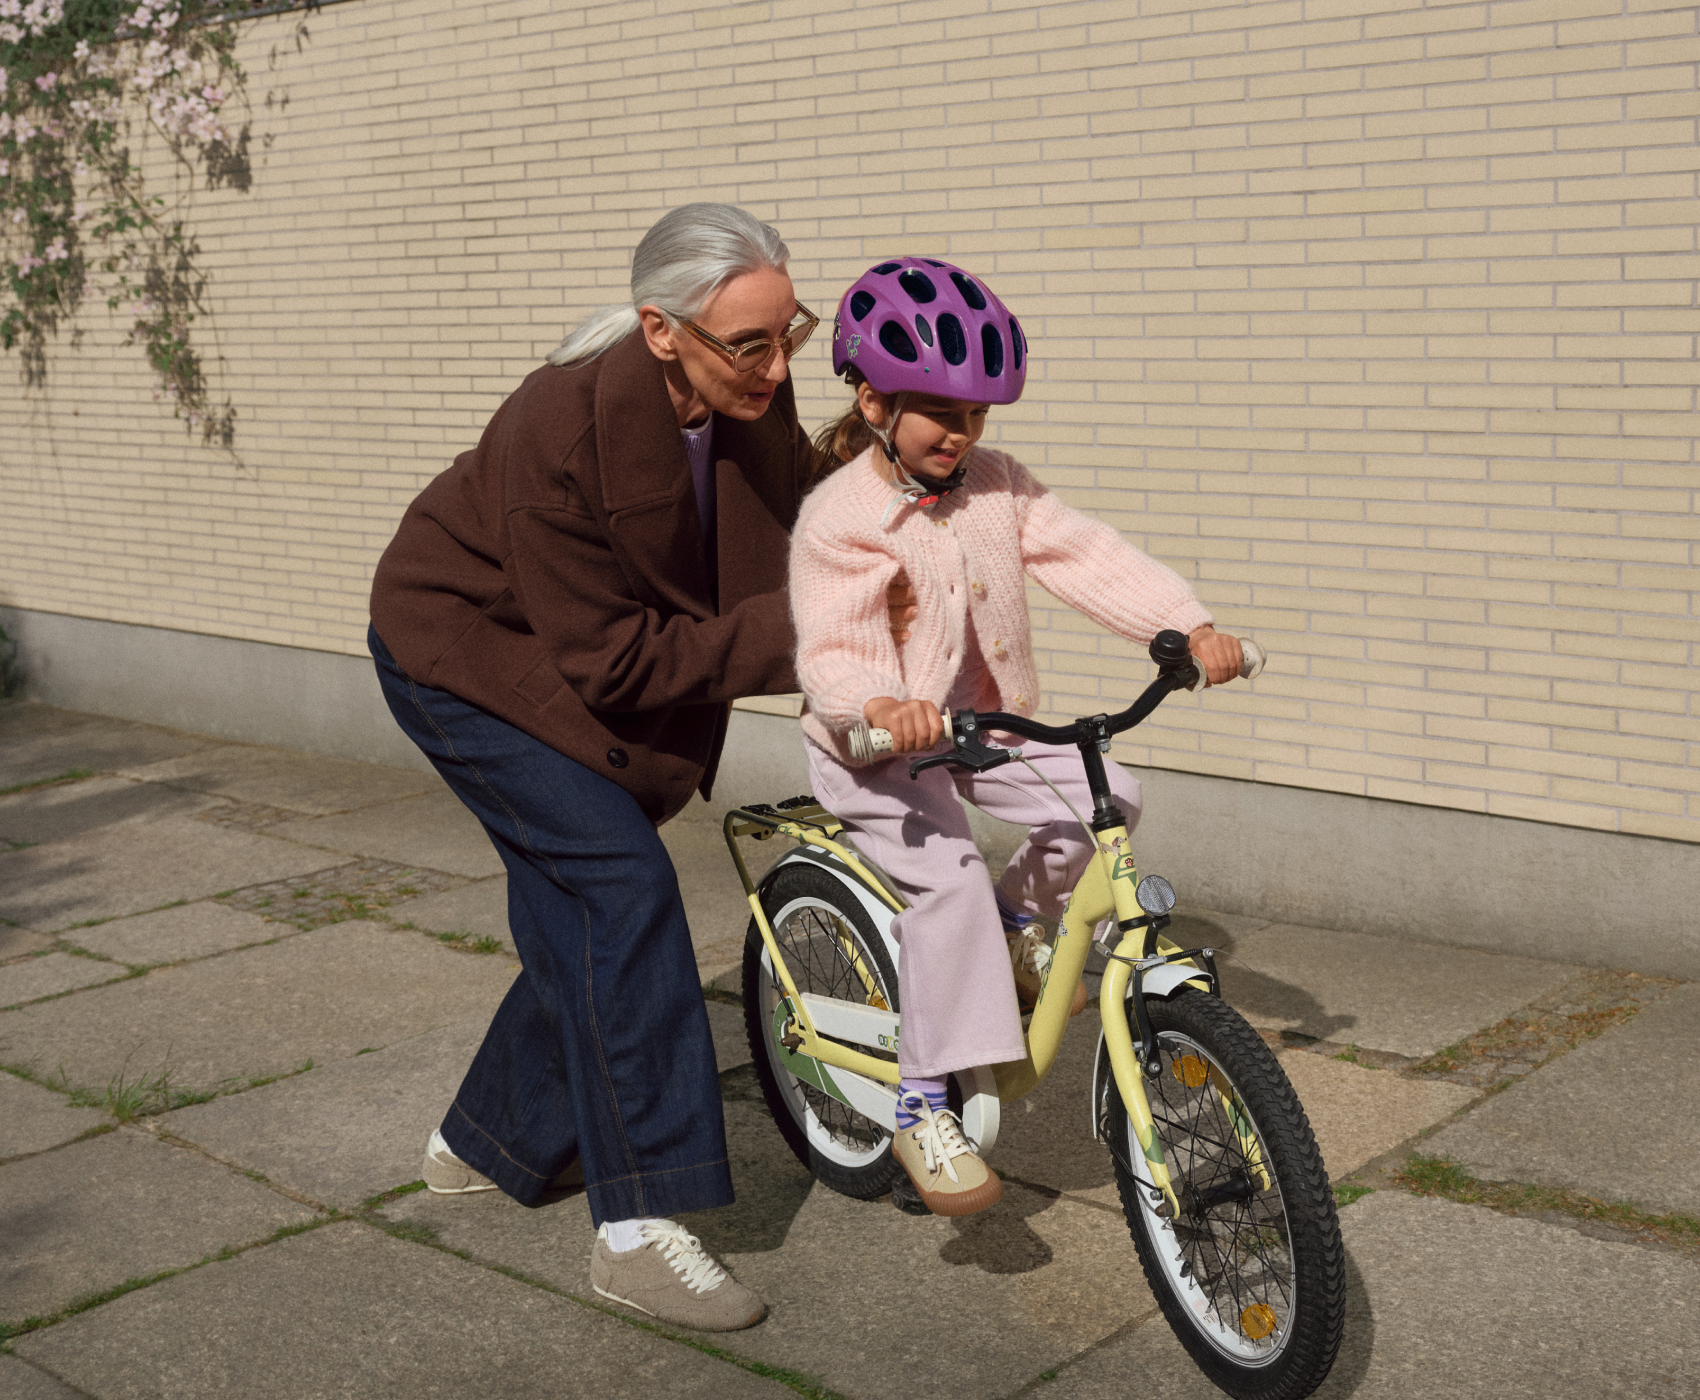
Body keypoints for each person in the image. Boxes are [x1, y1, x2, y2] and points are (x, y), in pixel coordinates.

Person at [367, 203, 824, 1331]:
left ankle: (483, 1143)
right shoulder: (554, 429)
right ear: (661, 330)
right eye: (748, 344)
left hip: (560, 656)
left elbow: (784, 502)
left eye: (789, 332)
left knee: (587, 914)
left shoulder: (743, 381)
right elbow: (616, 659)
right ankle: (636, 1230)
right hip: (462, 660)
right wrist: (810, 626)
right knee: (619, 889)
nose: (774, 364)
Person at [789, 257, 1243, 1217]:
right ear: (872, 399)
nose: (961, 435)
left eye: (977, 416)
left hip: (979, 730)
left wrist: (1185, 625)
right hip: (873, 752)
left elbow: (1085, 550)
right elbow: (832, 649)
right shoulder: (840, 517)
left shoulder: (996, 485)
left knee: (1109, 795)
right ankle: (920, 1104)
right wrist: (875, 705)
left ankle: (1012, 928)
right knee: (945, 880)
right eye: (940, 413)